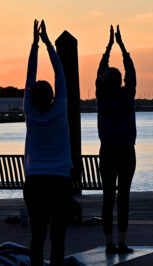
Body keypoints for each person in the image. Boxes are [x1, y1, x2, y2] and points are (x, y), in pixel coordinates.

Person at [23, 19, 72, 266]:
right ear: (53, 96)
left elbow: (29, 77)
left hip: (34, 180)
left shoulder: (29, 113)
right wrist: (48, 45)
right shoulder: (60, 109)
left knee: (37, 235)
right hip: (59, 181)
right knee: (58, 235)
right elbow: (60, 73)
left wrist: (34, 46)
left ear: (31, 97)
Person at [96, 25, 137, 254]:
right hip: (126, 151)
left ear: (104, 81)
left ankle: (109, 243)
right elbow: (131, 72)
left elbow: (99, 73)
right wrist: (122, 46)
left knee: (108, 197)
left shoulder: (101, 95)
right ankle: (122, 242)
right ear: (120, 81)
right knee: (124, 197)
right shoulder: (127, 93)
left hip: (107, 151)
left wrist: (109, 46)